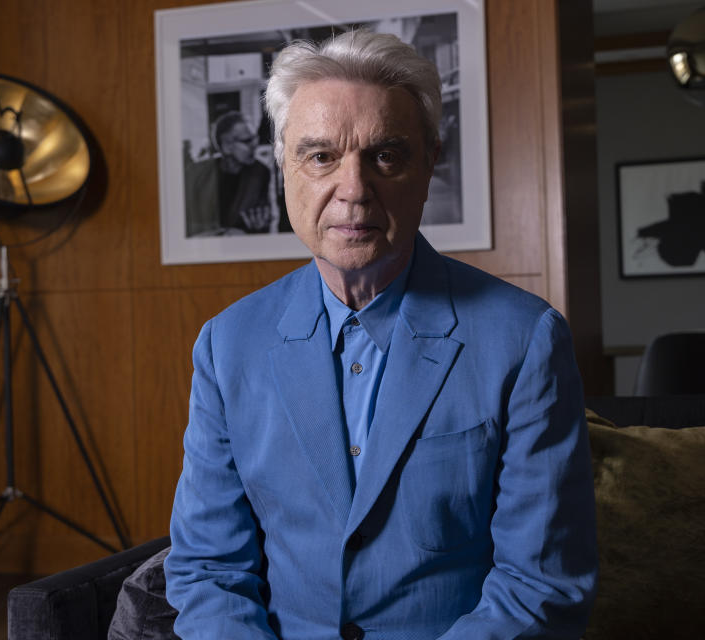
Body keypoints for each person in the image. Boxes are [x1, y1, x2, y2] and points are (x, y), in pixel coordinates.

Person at [165, 29, 597, 639]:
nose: (353, 189)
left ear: (429, 162)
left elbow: (541, 585)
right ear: (283, 167)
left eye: (385, 155)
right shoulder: (226, 344)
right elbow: (209, 570)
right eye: (320, 157)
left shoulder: (525, 339)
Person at [184, 110, 272, 236]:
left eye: (254, 138)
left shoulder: (261, 172)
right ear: (226, 146)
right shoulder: (197, 172)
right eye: (247, 141)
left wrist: (260, 225)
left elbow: (262, 217)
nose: (255, 145)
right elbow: (185, 222)